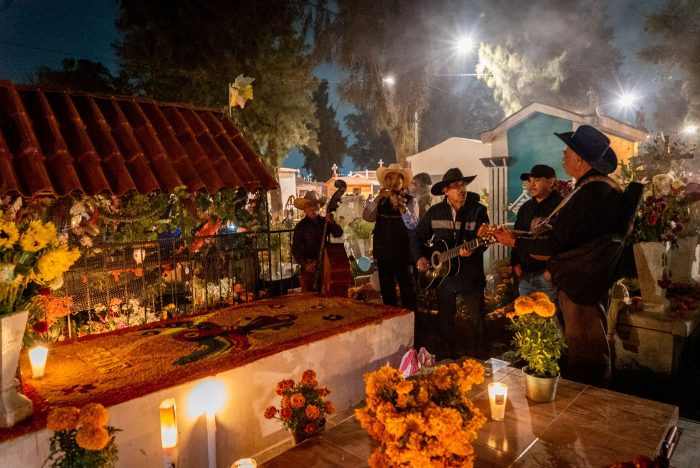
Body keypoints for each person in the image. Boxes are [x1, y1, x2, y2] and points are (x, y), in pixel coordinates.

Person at [494, 125, 626, 387]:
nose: (563, 154)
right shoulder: (596, 189)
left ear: (580, 159)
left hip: (583, 288)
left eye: (568, 150)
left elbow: (555, 244)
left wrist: (515, 243)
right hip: (587, 283)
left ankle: (589, 406)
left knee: (586, 350)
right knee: (582, 347)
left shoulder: (591, 195)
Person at [413, 168, 489, 360]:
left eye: (462, 185)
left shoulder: (477, 210)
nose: (460, 189)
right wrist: (420, 257)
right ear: (445, 190)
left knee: (477, 320)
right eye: (455, 186)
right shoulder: (435, 212)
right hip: (444, 277)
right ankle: (448, 358)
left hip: (470, 276)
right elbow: (417, 236)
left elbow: (484, 240)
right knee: (445, 320)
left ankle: (480, 359)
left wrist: (473, 249)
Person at [362, 163, 418, 311]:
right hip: (384, 256)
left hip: (403, 256)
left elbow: (413, 225)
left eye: (397, 180)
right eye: (389, 179)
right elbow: (367, 217)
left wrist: (402, 208)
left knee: (408, 295)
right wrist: (376, 199)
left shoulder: (411, 200)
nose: (393, 183)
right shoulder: (380, 201)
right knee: (388, 297)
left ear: (402, 182)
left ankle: (412, 328)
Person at [510, 164, 562, 302]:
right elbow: (516, 236)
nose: (531, 185)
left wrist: (551, 270)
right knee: (525, 318)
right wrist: (515, 264)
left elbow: (564, 243)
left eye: (536, 180)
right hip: (524, 273)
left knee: (549, 319)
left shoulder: (561, 207)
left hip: (547, 275)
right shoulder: (525, 208)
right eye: (530, 181)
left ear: (551, 182)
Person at [292, 191, 343, 292]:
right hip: (309, 269)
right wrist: (305, 264)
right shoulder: (300, 227)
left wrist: (331, 222)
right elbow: (296, 250)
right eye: (309, 205)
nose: (312, 208)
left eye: (315, 204)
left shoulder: (325, 222)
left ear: (319, 206)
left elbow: (338, 233)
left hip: (326, 267)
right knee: (309, 299)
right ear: (305, 209)